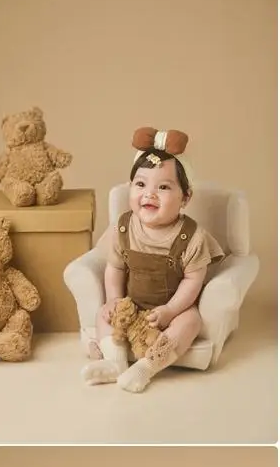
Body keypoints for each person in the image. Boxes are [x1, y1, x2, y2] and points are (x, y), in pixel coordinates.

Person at [82, 127, 223, 392]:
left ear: (185, 197)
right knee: (104, 314)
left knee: (191, 322)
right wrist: (114, 300)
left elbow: (193, 281)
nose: (149, 194)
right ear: (130, 187)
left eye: (164, 187)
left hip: (171, 309)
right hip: (131, 305)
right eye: (141, 184)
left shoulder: (192, 236)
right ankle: (115, 363)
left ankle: (145, 368)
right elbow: (114, 267)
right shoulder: (122, 228)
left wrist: (171, 310)